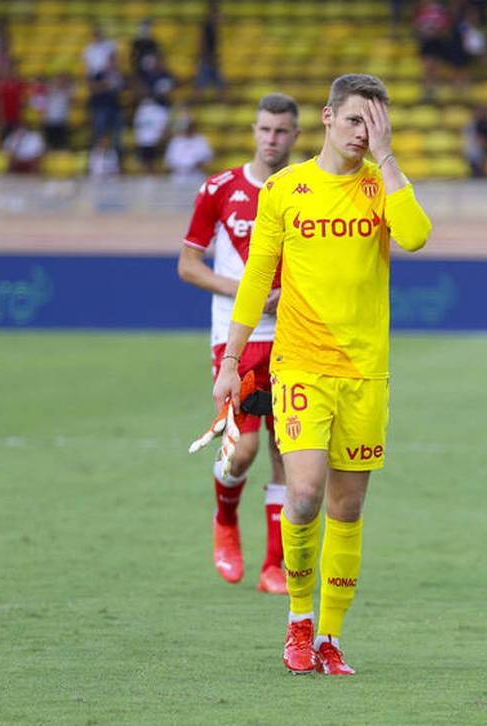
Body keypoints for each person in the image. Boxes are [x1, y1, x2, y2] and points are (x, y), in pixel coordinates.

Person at [212, 74, 431, 675]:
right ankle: (298, 623)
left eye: (378, 124)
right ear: (330, 118)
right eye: (358, 121)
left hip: (365, 372)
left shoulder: (381, 186)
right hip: (301, 362)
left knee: (348, 509)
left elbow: (414, 235)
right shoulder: (286, 189)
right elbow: (258, 278)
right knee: (304, 495)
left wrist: (387, 161)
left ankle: (330, 637)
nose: (367, 133)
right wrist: (231, 362)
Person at [178, 93, 302, 595]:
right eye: (265, 130)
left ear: (296, 134)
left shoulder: (305, 188)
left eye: (282, 131)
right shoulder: (220, 189)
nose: (272, 139)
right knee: (244, 448)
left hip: (296, 338)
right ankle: (225, 517)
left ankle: (273, 565)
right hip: (238, 337)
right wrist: (249, 294)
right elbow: (187, 266)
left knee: (287, 450)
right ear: (254, 131)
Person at [164, 118, 214, 184]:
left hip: (196, 176)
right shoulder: (175, 141)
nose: (187, 130)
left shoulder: (201, 140)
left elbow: (208, 157)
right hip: (178, 177)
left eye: (189, 127)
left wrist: (198, 164)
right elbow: (169, 160)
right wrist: (181, 167)